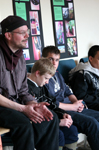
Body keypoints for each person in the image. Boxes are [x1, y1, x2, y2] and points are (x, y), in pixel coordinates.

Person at [42, 45, 99, 150]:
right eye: (50, 59)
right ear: (42, 59)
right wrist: (73, 107)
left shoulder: (57, 74)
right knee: (92, 124)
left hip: (73, 107)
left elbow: (68, 91)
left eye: (57, 60)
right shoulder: (43, 78)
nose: (54, 63)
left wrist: (77, 103)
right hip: (62, 111)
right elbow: (53, 104)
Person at [0, 15, 59, 150]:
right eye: (22, 33)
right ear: (8, 35)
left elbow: (23, 91)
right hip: (2, 105)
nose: (27, 35)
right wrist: (22, 108)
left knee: (51, 118)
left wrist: (35, 105)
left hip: (15, 103)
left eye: (27, 31)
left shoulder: (20, 56)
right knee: (23, 123)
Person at [27, 58, 78, 150]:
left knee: (72, 130)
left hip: (51, 120)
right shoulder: (26, 88)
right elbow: (35, 113)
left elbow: (51, 102)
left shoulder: (41, 85)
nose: (47, 82)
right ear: (37, 73)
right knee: (59, 135)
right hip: (37, 125)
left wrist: (63, 114)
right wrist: (59, 122)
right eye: (46, 78)